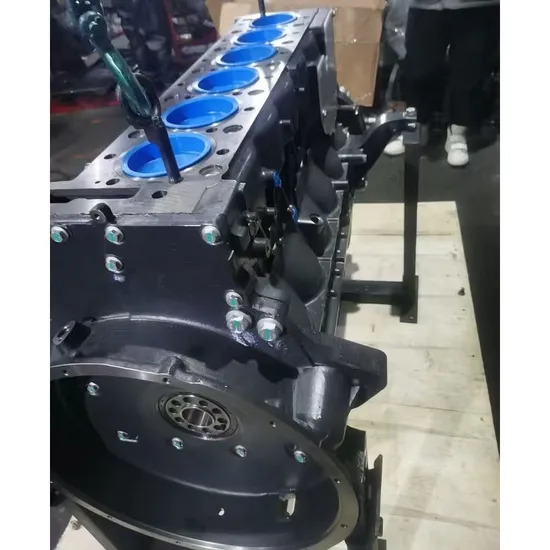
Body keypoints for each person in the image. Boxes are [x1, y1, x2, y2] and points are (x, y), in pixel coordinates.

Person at [384, 0, 499, 167]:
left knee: (468, 69)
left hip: (475, 5)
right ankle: (415, 129)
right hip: (425, 5)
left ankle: (458, 134)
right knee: (418, 67)